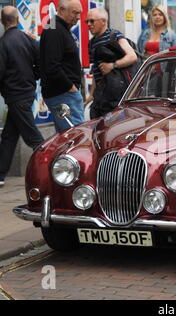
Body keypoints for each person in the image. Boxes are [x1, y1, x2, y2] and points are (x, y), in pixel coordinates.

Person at [0, 6, 44, 187]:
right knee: (9, 136)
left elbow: (0, 72)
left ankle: (47, 171)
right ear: (18, 19)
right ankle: (1, 174)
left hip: (15, 95)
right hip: (26, 93)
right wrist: (33, 77)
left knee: (35, 139)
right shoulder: (28, 39)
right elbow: (40, 63)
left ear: (2, 22)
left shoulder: (3, 43)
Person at [40, 0, 85, 132]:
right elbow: (52, 66)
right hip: (64, 95)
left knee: (66, 138)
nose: (78, 17)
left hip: (63, 94)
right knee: (76, 138)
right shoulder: (54, 29)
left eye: (79, 13)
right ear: (61, 10)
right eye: (74, 12)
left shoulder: (56, 27)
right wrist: (70, 87)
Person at [84, 8, 137, 119]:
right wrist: (92, 95)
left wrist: (113, 65)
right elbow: (96, 71)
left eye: (92, 21)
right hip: (101, 95)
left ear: (103, 21)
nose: (89, 24)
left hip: (116, 95)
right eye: (87, 21)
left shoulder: (114, 36)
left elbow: (132, 56)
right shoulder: (92, 42)